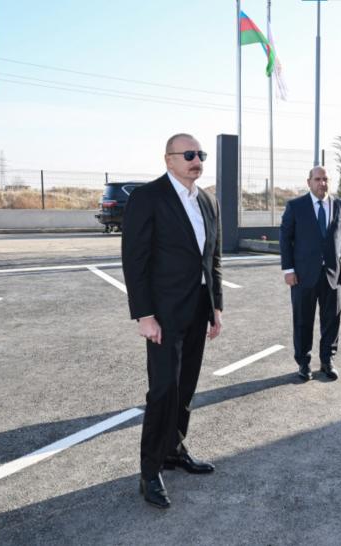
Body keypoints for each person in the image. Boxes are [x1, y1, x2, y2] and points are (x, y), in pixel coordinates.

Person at [121, 133, 223, 509]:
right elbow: (135, 259)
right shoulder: (148, 197)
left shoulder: (208, 200)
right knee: (163, 390)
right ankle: (149, 471)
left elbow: (213, 258)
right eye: (189, 155)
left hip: (198, 309)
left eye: (201, 154)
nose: (197, 161)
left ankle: (174, 450)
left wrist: (216, 307)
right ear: (169, 160)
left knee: (186, 387)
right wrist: (145, 315)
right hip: (163, 314)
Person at [279, 166, 341, 381]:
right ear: (309, 182)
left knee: (332, 320)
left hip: (333, 274)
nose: (322, 183)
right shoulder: (296, 206)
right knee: (303, 320)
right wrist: (288, 270)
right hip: (302, 275)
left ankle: (327, 361)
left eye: (325, 179)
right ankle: (303, 363)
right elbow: (285, 239)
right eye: (318, 179)